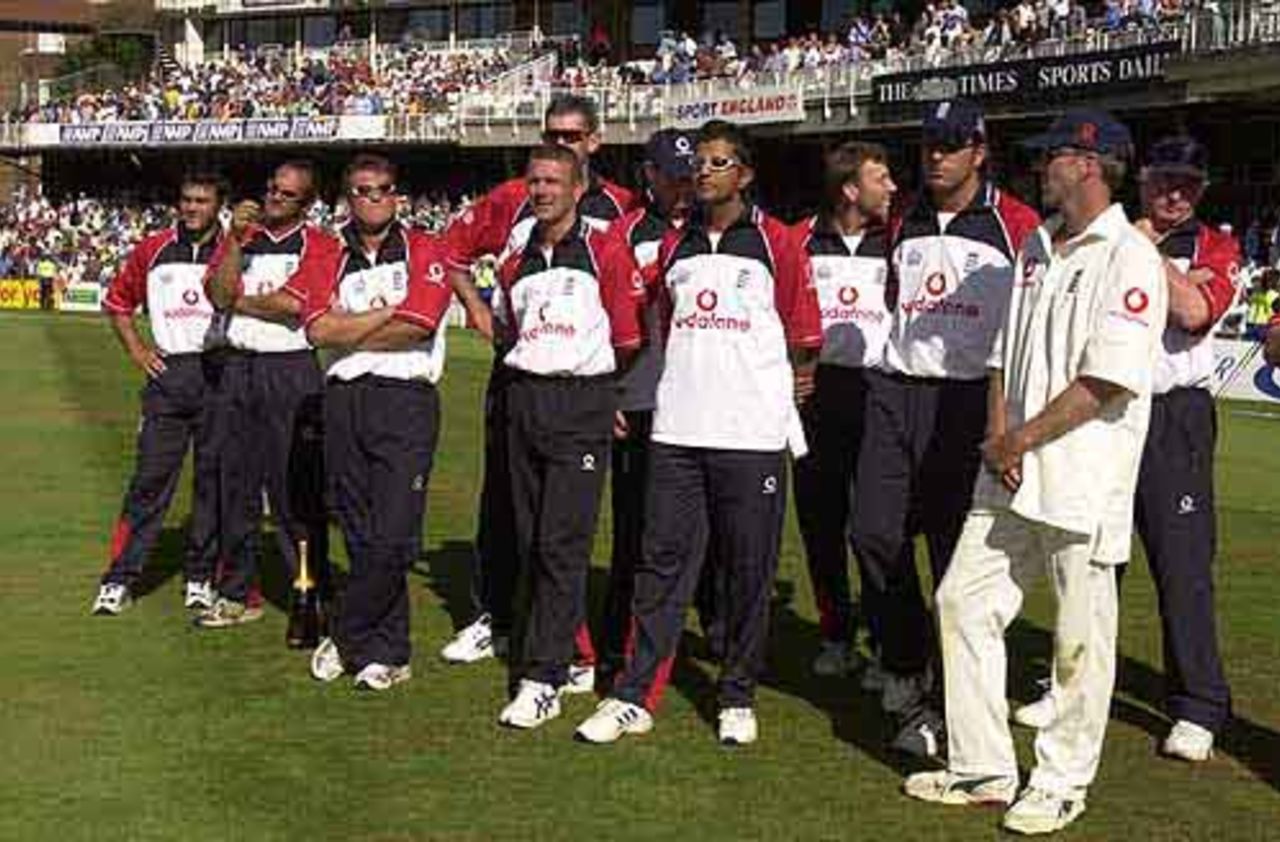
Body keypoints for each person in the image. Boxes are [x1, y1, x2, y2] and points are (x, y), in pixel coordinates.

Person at [904, 110, 1166, 836]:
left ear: (1087, 165)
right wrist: (1000, 437)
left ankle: (1062, 781)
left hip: (1083, 475)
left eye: (1053, 157)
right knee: (962, 602)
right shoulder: (1035, 244)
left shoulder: (1129, 256)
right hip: (1010, 470)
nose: (1041, 167)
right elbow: (1002, 356)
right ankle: (983, 768)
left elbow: (1106, 380)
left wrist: (1018, 439)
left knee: (1080, 638)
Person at [575, 120, 823, 747]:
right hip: (678, 431)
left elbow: (804, 333)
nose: (703, 173)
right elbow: (659, 328)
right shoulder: (673, 247)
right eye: (699, 164)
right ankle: (633, 695)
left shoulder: (778, 243)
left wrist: (785, 388)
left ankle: (736, 694)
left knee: (747, 570)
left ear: (745, 174)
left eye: (717, 163)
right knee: (659, 567)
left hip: (751, 437)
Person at [1015, 137, 1239, 761]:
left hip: (1173, 416)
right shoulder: (1098, 239)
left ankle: (1198, 707)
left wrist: (1142, 251)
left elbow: (1192, 311)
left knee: (1181, 563)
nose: (1176, 195)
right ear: (1142, 179)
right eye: (1166, 180)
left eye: (1189, 185)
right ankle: (1071, 688)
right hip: (1106, 410)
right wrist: (1155, 263)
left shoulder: (1208, 245)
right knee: (1088, 557)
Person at [849, 99, 1040, 757]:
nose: (936, 155)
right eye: (930, 142)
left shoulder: (1016, 223)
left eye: (952, 144)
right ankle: (906, 661)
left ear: (979, 152)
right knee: (872, 531)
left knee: (953, 554)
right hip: (897, 389)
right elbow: (896, 299)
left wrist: (1008, 416)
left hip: (967, 401)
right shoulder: (905, 215)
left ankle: (946, 700)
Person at [440, 94, 638, 689]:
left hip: (589, 386)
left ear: (594, 142)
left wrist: (615, 391)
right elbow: (452, 252)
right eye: (552, 134)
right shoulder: (513, 197)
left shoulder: (621, 209)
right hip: (521, 377)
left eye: (572, 137)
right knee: (506, 507)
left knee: (575, 527)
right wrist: (480, 313)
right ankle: (497, 617)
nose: (560, 144)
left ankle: (580, 646)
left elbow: (629, 314)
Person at [492, 144, 643, 728]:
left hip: (582, 403)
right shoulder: (516, 259)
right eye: (535, 181)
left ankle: (543, 677)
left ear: (579, 188)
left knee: (562, 543)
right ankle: (567, 656)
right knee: (531, 541)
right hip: (525, 400)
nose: (542, 191)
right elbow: (509, 332)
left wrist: (602, 395)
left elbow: (628, 339)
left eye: (554, 181)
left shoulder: (605, 249)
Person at [298, 154, 453, 692]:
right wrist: (389, 313)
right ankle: (386, 652)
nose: (375, 199)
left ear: (397, 195)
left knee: (395, 533)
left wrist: (351, 329)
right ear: (348, 198)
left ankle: (345, 629)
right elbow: (317, 329)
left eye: (384, 189)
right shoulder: (326, 252)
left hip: (405, 400)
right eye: (364, 190)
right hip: (344, 401)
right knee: (360, 530)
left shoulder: (425, 247)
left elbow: (420, 324)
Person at [197, 160, 335, 636]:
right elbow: (217, 293)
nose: (274, 198)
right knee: (234, 486)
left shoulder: (320, 243)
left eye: (287, 194)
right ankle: (236, 593)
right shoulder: (240, 238)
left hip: (290, 371)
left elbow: (294, 304)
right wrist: (235, 241)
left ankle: (310, 597)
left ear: (308, 204)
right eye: (272, 189)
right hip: (237, 368)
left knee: (294, 493)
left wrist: (238, 300)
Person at [597, 128, 706, 689]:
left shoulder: (718, 230)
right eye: (675, 178)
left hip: (709, 405)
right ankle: (618, 650)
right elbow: (603, 320)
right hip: (643, 402)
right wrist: (610, 392)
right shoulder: (624, 234)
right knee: (637, 536)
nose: (686, 188)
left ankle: (719, 639)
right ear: (650, 175)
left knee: (714, 538)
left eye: (692, 177)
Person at [91, 172, 229, 616]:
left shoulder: (233, 250)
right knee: (149, 481)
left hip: (219, 374)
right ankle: (119, 579)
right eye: (186, 199)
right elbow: (118, 303)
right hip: (169, 376)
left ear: (219, 206)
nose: (192, 207)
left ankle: (200, 576)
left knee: (213, 482)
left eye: (202, 201)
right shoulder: (153, 248)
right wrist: (138, 350)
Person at [791, 141, 898, 678]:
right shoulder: (799, 239)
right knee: (821, 523)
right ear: (851, 189)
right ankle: (836, 634)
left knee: (878, 527)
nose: (893, 187)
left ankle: (886, 639)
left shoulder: (897, 239)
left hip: (882, 393)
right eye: (881, 178)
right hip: (816, 393)